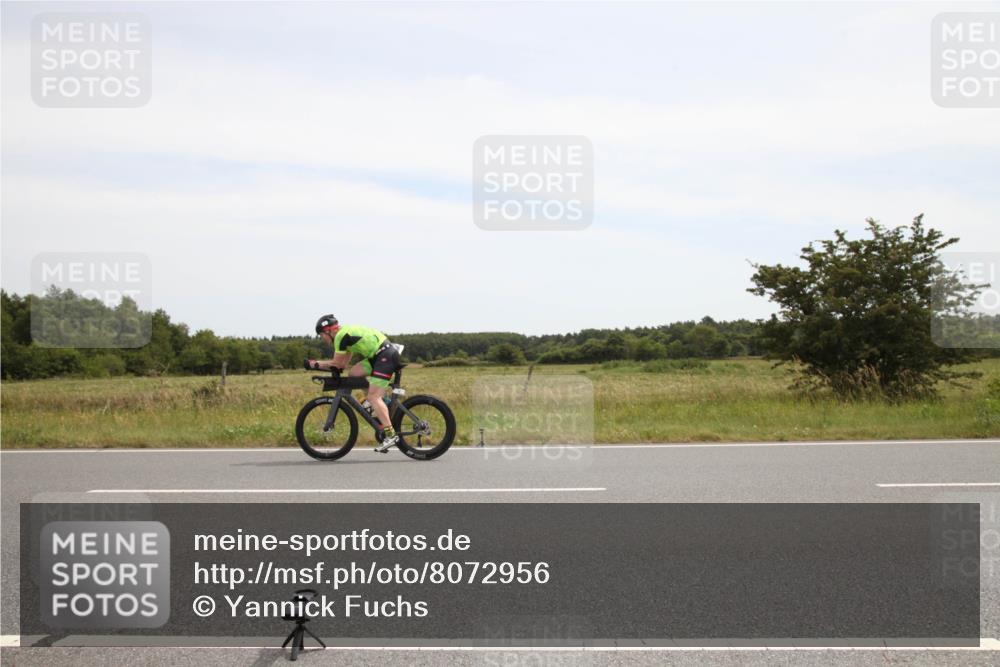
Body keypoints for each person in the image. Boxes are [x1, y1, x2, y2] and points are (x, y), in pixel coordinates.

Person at [306, 314, 402, 452]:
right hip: (378, 355)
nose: (323, 339)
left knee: (373, 397)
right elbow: (342, 365)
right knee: (354, 374)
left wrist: (315, 364)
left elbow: (337, 363)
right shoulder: (345, 336)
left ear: (328, 331)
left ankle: (391, 435)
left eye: (322, 335)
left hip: (384, 355)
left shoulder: (340, 336)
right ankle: (384, 404)